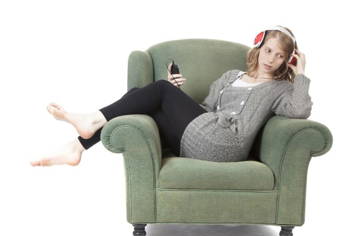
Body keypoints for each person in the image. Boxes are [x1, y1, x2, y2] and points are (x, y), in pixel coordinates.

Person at [30, 25, 312, 167]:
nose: (271, 59)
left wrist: (300, 75)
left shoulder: (282, 89)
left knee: (159, 90)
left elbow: (300, 111)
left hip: (227, 146)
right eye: (268, 50)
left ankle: (92, 121)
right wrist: (178, 96)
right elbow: (205, 110)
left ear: (288, 60)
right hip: (200, 137)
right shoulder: (231, 76)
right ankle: (78, 148)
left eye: (280, 56)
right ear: (259, 49)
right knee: (141, 97)